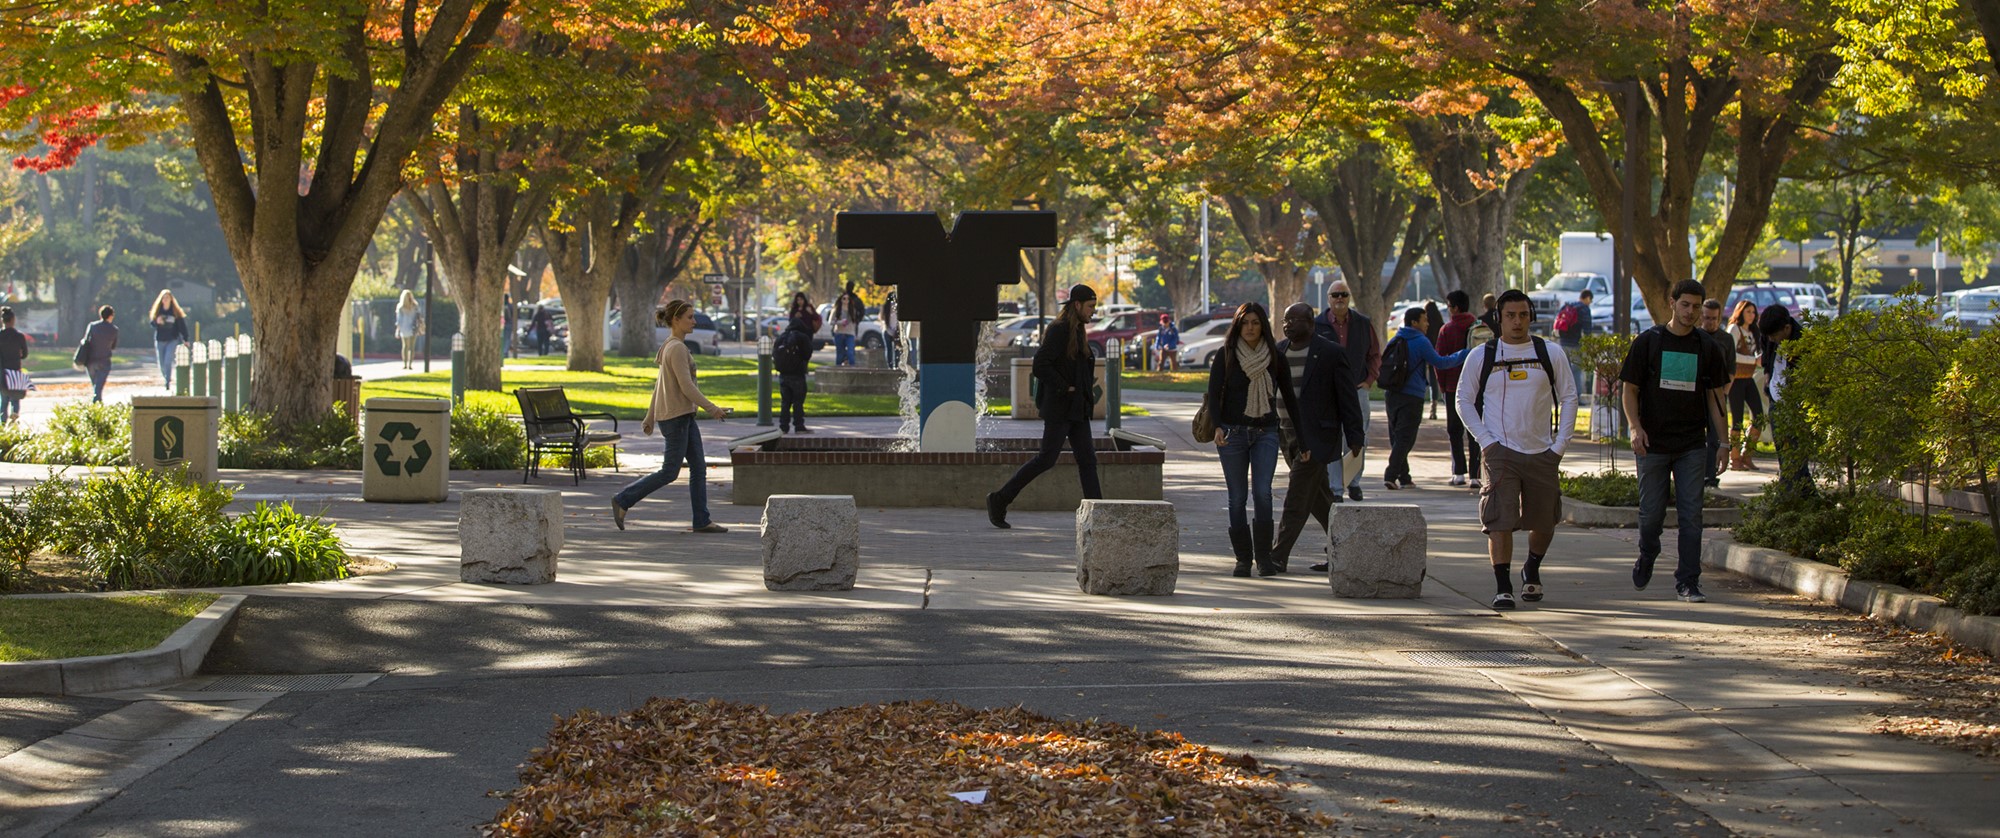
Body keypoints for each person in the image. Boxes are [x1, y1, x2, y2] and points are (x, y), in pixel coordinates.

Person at [1458, 290, 1579, 610]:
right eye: (1510, 315)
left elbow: (1569, 397)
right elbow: (1463, 401)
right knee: (1499, 519)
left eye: (1523, 315)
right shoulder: (1481, 356)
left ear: (1531, 317)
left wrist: (1559, 445)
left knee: (1544, 522)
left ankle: (1533, 567)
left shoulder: (1549, 352)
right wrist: (1487, 441)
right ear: (1498, 318)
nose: (1517, 321)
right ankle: (1503, 586)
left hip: (1542, 451)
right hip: (1500, 451)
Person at [1619, 279, 1732, 603]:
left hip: (1692, 446)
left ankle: (1688, 581)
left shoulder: (1706, 346)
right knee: (1651, 515)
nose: (1692, 312)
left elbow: (1715, 399)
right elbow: (1630, 389)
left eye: (1697, 307)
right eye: (1686, 305)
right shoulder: (1649, 341)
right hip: (1652, 444)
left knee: (1691, 516)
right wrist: (1635, 427)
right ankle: (1648, 552)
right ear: (1672, 303)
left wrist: (1723, 444)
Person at [611, 299, 732, 533]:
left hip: (684, 417)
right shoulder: (675, 348)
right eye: (689, 317)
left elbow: (660, 385)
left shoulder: (672, 345)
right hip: (676, 419)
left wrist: (650, 416)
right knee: (669, 471)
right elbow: (686, 387)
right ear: (675, 320)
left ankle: (702, 520)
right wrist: (712, 408)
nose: (694, 321)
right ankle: (623, 499)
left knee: (698, 468)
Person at [988, 285, 1102, 529]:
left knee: (1088, 460)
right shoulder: (1059, 330)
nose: (1094, 311)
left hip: (1077, 409)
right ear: (1077, 305)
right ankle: (999, 499)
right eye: (1090, 306)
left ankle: (1098, 515)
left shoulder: (1079, 330)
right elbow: (1040, 365)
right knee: (1046, 459)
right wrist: (1065, 387)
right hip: (1061, 408)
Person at [1207, 303, 1300, 577]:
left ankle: (1264, 558)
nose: (1250, 327)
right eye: (1245, 322)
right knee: (1237, 498)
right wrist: (1218, 426)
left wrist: (1302, 439)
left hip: (1265, 433)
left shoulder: (1274, 356)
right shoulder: (1227, 356)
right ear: (1238, 325)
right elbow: (1213, 395)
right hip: (1233, 434)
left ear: (1263, 326)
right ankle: (1243, 559)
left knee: (1263, 493)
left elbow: (1290, 400)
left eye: (1255, 322)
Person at [1270, 303, 1363, 573]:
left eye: (1293, 320)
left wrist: (1355, 434)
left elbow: (1347, 397)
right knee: (1319, 499)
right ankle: (1346, 550)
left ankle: (1278, 555)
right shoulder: (1278, 351)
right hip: (1287, 437)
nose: (1287, 325)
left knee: (1297, 496)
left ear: (1310, 322)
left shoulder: (1330, 353)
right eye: (1285, 321)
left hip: (1317, 438)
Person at [1382, 305, 1469, 490]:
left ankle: (1404, 477)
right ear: (1414, 322)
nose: (1427, 324)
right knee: (1406, 438)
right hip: (1412, 395)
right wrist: (1465, 354)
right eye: (1424, 320)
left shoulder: (1397, 337)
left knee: (1397, 436)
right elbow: (1440, 362)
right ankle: (1391, 474)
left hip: (1391, 393)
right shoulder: (1420, 341)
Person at [1312, 280, 1380, 501]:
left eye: (1343, 294)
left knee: (1358, 437)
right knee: (1333, 438)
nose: (1339, 298)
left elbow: (1375, 354)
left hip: (1357, 389)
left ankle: (1354, 482)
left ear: (1349, 297)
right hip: (1328, 392)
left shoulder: (1362, 323)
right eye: (1335, 295)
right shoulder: (1318, 325)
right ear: (1328, 298)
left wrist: (1369, 380)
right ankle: (1336, 488)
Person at [1758, 303, 1808, 488]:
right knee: (1784, 454)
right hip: (1776, 400)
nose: (1771, 340)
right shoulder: (1768, 336)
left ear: (1786, 328)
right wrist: (1767, 375)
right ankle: (1796, 494)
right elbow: (1766, 352)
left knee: (1794, 456)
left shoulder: (1802, 342)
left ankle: (1793, 494)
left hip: (1794, 405)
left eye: (1774, 336)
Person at [1435, 291, 1481, 488]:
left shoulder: (1447, 330)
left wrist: (1443, 387)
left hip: (1454, 387)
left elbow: (1439, 361)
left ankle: (1458, 472)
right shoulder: (1479, 328)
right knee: (1476, 430)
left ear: (1454, 307)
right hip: (1478, 387)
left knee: (1454, 430)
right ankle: (1475, 475)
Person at [1725, 299, 1765, 470]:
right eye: (1748, 311)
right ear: (1740, 312)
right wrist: (1753, 360)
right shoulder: (1734, 329)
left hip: (1748, 378)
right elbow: (1730, 355)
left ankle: (1746, 454)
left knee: (1759, 416)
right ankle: (1734, 459)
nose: (1751, 315)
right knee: (1737, 420)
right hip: (1736, 379)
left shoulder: (1753, 332)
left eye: (1753, 312)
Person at [1698, 299, 1734, 487]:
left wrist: (1723, 394)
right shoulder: (1696, 337)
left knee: (1714, 437)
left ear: (1719, 317)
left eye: (1713, 318)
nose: (1709, 322)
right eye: (1706, 317)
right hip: (1697, 395)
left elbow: (1731, 370)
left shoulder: (1726, 339)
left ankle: (1710, 475)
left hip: (1718, 393)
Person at [773, 314, 814, 433]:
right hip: (797, 374)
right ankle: (799, 425)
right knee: (798, 401)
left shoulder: (782, 337)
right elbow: (807, 354)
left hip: (783, 375)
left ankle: (783, 426)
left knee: (785, 401)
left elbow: (774, 354)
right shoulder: (802, 337)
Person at [147, 290, 190, 391]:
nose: (166, 299)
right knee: (161, 363)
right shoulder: (158, 311)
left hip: (172, 339)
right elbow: (152, 323)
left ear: (171, 299)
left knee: (168, 361)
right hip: (160, 340)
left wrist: (185, 338)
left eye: (167, 298)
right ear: (161, 300)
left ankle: (167, 381)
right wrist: (157, 322)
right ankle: (165, 376)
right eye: (164, 298)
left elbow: (181, 326)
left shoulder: (175, 312)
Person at [1555, 289, 1594, 398]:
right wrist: (1588, 345)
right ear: (1587, 298)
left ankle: (1562, 395)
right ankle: (1576, 396)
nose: (1589, 303)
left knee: (1563, 371)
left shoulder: (1567, 306)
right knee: (1576, 370)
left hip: (1562, 343)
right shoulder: (1584, 309)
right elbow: (1587, 330)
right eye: (1590, 300)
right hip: (1575, 344)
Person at [81, 305, 118, 404]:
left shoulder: (92, 326)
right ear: (111, 316)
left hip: (90, 360)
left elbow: (86, 340)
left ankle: (97, 401)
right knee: (99, 385)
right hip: (104, 361)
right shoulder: (114, 329)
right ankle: (96, 401)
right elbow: (113, 346)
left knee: (96, 384)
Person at [0, 307, 28, 422]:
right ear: (13, 320)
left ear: (2, 320)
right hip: (15, 370)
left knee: (4, 400)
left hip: (2, 370)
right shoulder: (19, 336)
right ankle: (13, 422)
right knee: (15, 400)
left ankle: (2, 425)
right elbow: (25, 354)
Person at [831, 286, 862, 366]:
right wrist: (839, 322)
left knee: (850, 352)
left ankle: (852, 369)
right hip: (839, 333)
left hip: (850, 333)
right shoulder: (836, 309)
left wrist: (855, 334)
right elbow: (831, 322)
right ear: (841, 299)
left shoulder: (852, 310)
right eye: (844, 298)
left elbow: (854, 322)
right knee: (840, 353)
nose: (846, 300)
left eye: (847, 299)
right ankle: (838, 369)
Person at [396, 290, 422, 370]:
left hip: (404, 327)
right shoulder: (415, 306)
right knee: (411, 347)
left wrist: (398, 330)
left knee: (405, 346)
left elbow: (399, 320)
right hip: (413, 327)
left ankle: (405, 364)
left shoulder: (401, 307)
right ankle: (410, 364)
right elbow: (419, 317)